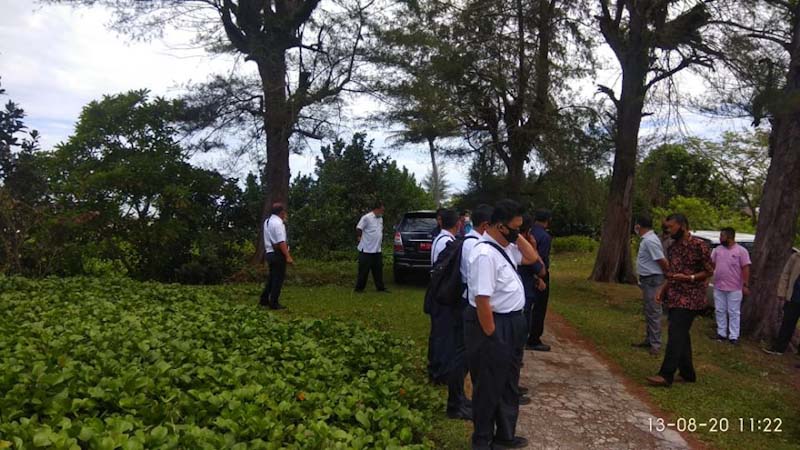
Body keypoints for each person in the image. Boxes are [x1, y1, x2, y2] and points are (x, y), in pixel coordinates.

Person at [465, 199, 541, 450]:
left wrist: (515, 236)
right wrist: (492, 334)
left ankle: (505, 436)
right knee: (488, 386)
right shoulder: (484, 254)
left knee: (509, 384)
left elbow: (532, 258)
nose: (518, 232)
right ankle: (482, 441)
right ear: (498, 225)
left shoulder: (504, 246)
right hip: (496, 325)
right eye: (515, 228)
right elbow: (482, 300)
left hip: (514, 322)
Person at [647, 214, 713, 387]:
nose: (667, 230)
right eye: (666, 227)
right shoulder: (672, 247)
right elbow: (671, 274)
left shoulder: (699, 246)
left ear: (682, 225)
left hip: (691, 296)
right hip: (675, 295)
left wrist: (689, 278)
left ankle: (666, 374)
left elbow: (708, 271)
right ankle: (687, 373)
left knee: (676, 332)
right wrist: (662, 289)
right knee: (680, 333)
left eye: (671, 227)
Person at [427, 209, 472, 420]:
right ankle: (439, 372)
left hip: (438, 294)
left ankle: (437, 370)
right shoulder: (448, 242)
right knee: (444, 336)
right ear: (458, 224)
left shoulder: (440, 238)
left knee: (439, 334)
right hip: (444, 296)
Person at [632, 216, 669, 355]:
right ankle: (649, 339)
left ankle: (655, 344)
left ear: (639, 226)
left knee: (654, 311)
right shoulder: (648, 240)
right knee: (649, 310)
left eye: (636, 226)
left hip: (653, 279)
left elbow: (661, 260)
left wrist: (668, 274)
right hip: (648, 280)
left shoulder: (650, 241)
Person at [711, 228, 751, 345]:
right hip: (719, 286)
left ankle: (734, 336)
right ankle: (721, 333)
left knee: (733, 312)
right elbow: (712, 265)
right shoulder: (717, 250)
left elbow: (745, 268)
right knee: (720, 310)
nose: (720, 238)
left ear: (729, 237)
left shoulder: (741, 251)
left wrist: (745, 284)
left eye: (722, 236)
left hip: (735, 287)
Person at [764, 251, 800, 356]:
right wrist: (782, 291)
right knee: (787, 323)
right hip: (794, 297)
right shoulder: (796, 256)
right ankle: (779, 348)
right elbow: (786, 273)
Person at [526, 209, 553, 352]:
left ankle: (525, 334)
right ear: (547, 220)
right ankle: (534, 338)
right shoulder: (545, 236)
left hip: (526, 273)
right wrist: (539, 277)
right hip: (539, 273)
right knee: (539, 308)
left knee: (527, 306)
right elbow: (540, 258)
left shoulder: (528, 233)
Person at [260, 203, 293, 310]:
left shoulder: (267, 222)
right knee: (278, 279)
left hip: (269, 252)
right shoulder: (279, 224)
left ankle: (264, 299)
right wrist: (288, 256)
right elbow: (281, 242)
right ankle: (274, 302)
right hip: (278, 254)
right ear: (282, 212)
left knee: (272, 277)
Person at [355, 202, 388, 293]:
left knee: (378, 270)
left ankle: (380, 288)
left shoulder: (380, 218)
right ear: (376, 209)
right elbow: (359, 228)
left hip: (377, 249)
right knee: (363, 271)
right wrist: (359, 237)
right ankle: (359, 289)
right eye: (382, 209)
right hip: (366, 249)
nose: (383, 211)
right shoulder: (366, 218)